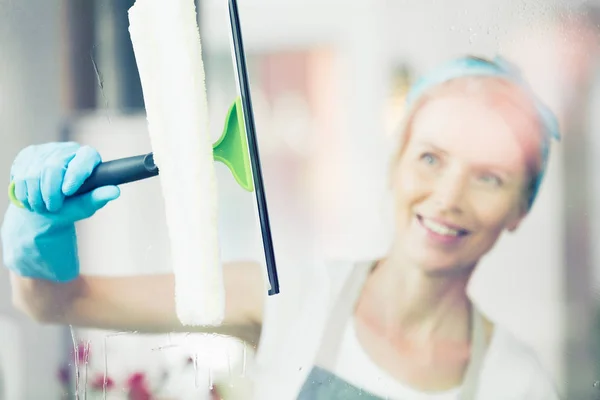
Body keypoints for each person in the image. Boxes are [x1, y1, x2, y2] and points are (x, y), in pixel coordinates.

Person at [1, 55, 561, 399]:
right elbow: (55, 303)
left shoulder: (521, 384)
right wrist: (37, 233)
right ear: (396, 162)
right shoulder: (290, 295)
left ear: (521, 208)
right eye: (432, 158)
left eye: (489, 178)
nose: (448, 198)